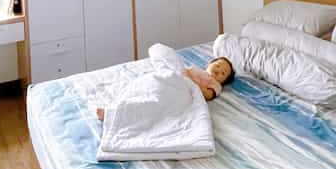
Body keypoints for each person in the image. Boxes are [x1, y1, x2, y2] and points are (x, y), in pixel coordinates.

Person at [96, 56, 235, 120]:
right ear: (209, 64)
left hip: (182, 90)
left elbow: (207, 95)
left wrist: (190, 78)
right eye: (217, 64)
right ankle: (120, 103)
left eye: (223, 73)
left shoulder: (215, 85)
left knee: (154, 103)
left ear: (223, 81)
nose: (218, 70)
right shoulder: (196, 69)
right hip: (171, 80)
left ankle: (115, 114)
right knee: (145, 87)